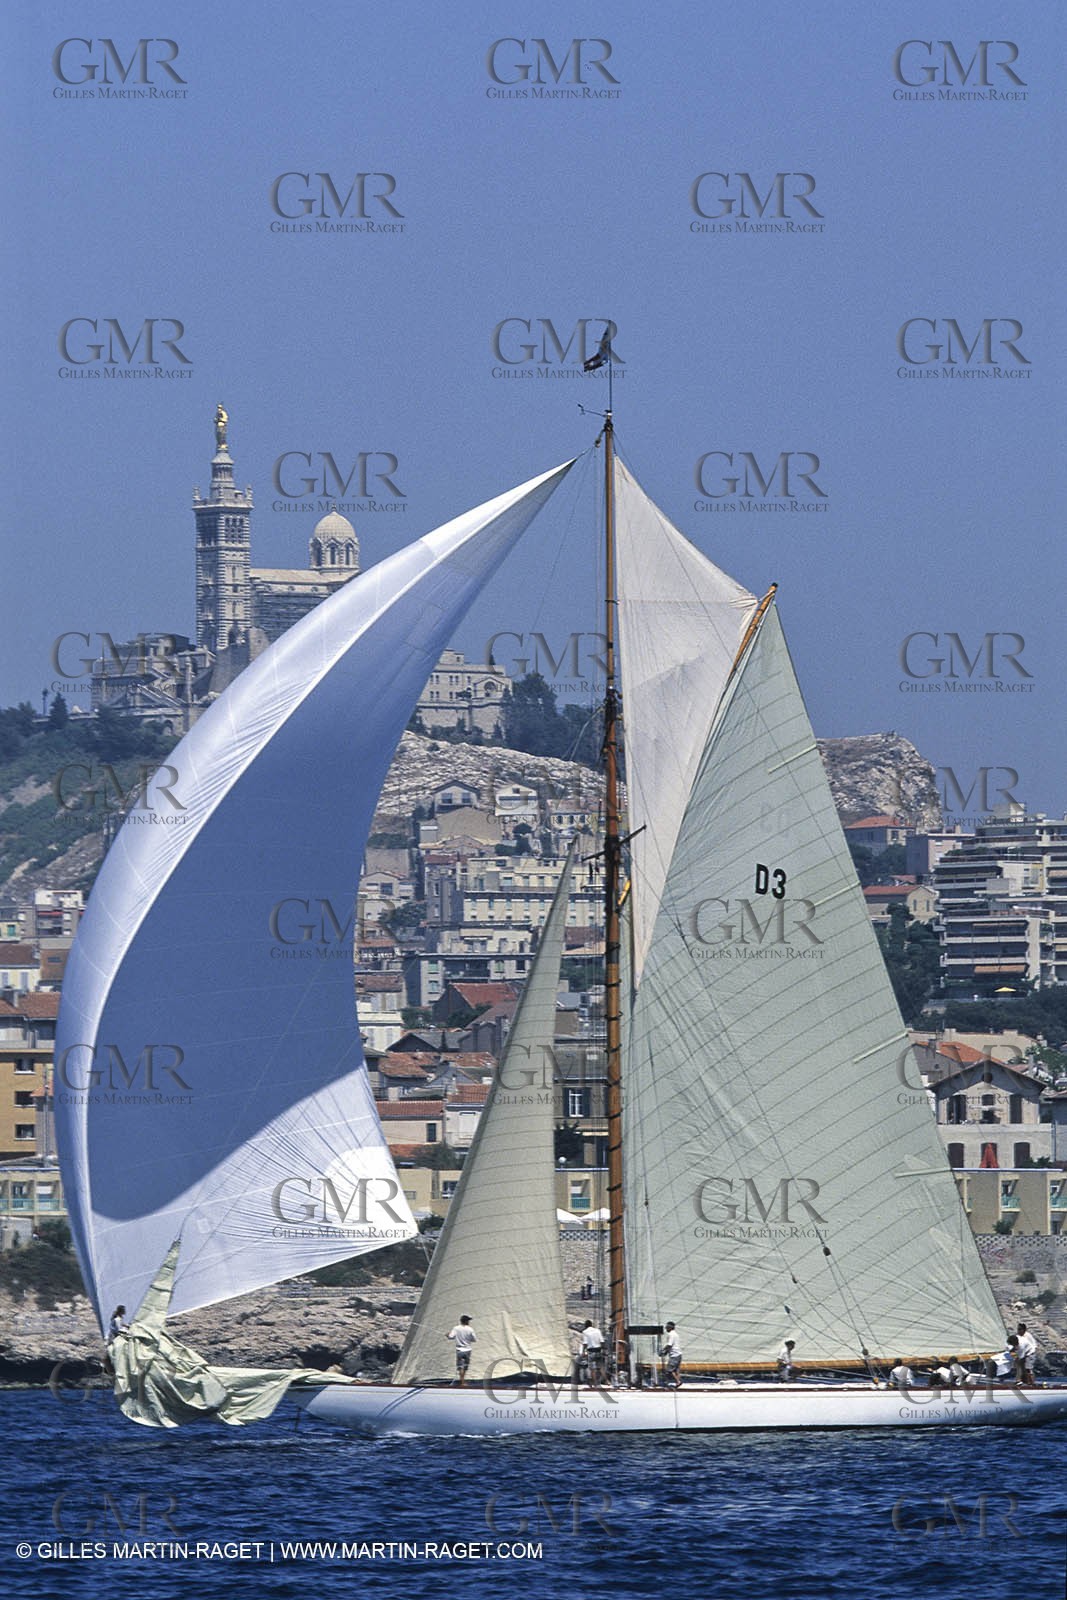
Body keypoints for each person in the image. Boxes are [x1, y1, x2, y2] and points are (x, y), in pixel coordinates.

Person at [447, 1315, 476, 1386]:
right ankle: (463, 1382)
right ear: (466, 1321)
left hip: (459, 1350)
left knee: (460, 1367)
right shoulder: (470, 1329)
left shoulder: (456, 1328)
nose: (469, 1322)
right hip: (468, 1350)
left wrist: (447, 1335)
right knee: (465, 1366)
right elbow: (474, 1339)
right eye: (468, 1320)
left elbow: (451, 1337)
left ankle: (462, 1381)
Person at [580, 1320, 605, 1387]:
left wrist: (583, 1352)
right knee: (600, 1367)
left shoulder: (585, 1332)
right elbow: (602, 1341)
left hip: (591, 1351)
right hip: (598, 1350)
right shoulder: (597, 1331)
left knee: (592, 1369)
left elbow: (585, 1343)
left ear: (585, 1325)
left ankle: (595, 1383)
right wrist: (603, 1349)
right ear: (591, 1325)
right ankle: (607, 1381)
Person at [660, 1322, 682, 1390]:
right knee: (676, 1370)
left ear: (670, 1327)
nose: (666, 1328)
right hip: (678, 1354)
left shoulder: (671, 1334)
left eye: (667, 1327)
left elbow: (669, 1344)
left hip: (674, 1355)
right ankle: (677, 1382)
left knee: (669, 1370)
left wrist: (663, 1351)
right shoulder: (675, 1334)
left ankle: (678, 1382)